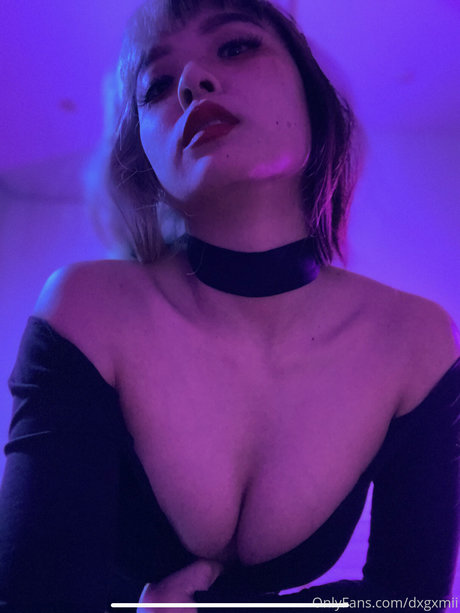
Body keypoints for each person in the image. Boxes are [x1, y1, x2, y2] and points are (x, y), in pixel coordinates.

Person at [0, 0, 459, 611]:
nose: (192, 80)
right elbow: (33, 595)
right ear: (145, 154)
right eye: (157, 84)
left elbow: (412, 601)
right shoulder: (86, 310)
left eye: (237, 46)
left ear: (312, 95)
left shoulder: (417, 342)